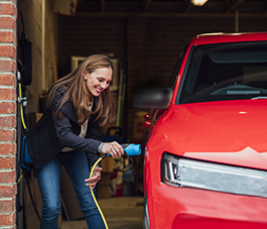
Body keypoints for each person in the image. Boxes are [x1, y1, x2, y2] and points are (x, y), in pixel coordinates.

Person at [26, 54, 124, 229]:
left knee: (89, 203)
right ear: (85, 73)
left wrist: (95, 165)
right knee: (52, 207)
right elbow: (64, 135)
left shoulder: (99, 98)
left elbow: (93, 137)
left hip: (75, 152)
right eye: (100, 79)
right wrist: (102, 147)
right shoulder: (61, 93)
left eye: (108, 82)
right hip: (49, 152)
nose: (104, 86)